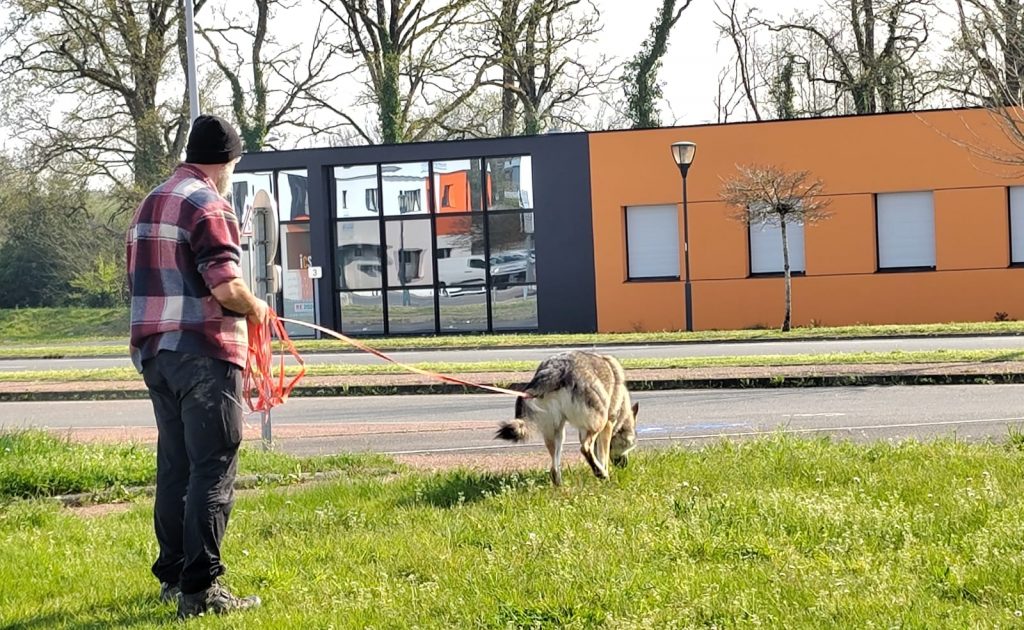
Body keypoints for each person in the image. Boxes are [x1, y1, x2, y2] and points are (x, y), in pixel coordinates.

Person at [126, 114, 268, 620]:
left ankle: (173, 576)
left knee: (176, 466)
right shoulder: (209, 202)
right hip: (204, 352)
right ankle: (202, 589)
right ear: (228, 161)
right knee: (214, 465)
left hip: (156, 354)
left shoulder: (150, 201)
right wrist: (257, 308)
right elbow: (226, 287)